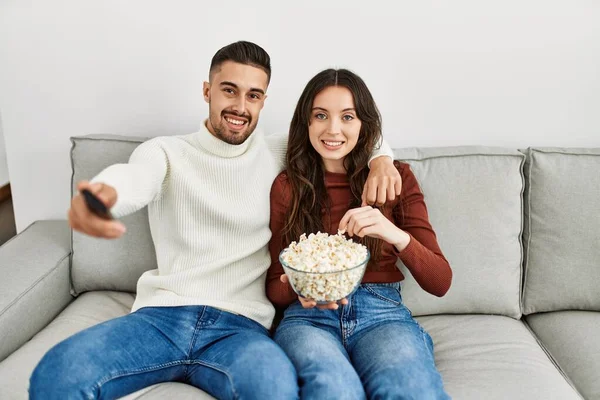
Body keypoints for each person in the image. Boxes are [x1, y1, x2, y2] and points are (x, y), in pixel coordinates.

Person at [29, 42, 402, 399]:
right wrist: (101, 197)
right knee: (57, 372)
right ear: (207, 91)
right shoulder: (165, 152)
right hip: (162, 319)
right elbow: (133, 180)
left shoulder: (279, 151)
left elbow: (346, 132)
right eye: (229, 90)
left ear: (263, 101)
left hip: (241, 328)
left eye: (253, 95)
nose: (240, 106)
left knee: (274, 388)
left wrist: (381, 159)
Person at [267, 68, 453, 399]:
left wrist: (392, 232)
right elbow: (273, 287)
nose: (333, 129)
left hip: (382, 313)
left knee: (411, 389)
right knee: (333, 389)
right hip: (308, 318)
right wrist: (296, 285)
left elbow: (440, 281)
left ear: (364, 123)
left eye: (347, 117)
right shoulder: (287, 186)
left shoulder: (396, 178)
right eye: (320, 115)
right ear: (306, 123)